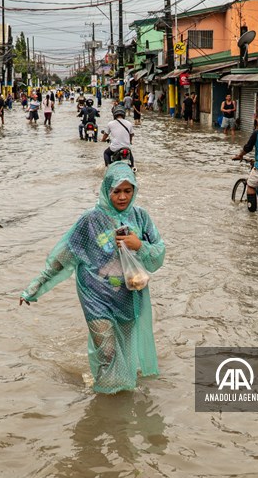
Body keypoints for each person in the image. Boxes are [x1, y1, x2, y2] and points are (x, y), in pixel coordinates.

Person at [20, 164, 165, 394]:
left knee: (125, 351)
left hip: (128, 296)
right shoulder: (90, 221)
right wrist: (35, 286)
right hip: (95, 297)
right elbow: (64, 256)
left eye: (128, 191)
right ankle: (105, 398)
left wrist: (139, 245)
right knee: (107, 351)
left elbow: (158, 254)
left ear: (135, 190)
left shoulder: (141, 218)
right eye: (116, 191)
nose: (122, 197)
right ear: (106, 190)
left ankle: (121, 395)